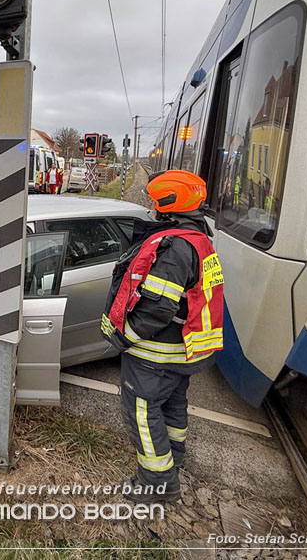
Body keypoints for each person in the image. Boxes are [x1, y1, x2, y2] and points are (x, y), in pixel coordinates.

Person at [100, 169, 224, 503]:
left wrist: (125, 336)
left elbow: (156, 308)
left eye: (156, 201)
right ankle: (173, 459)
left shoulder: (175, 248)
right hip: (180, 353)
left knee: (142, 412)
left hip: (154, 354)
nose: (153, 208)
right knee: (172, 405)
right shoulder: (198, 239)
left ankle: (157, 485)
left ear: (170, 202)